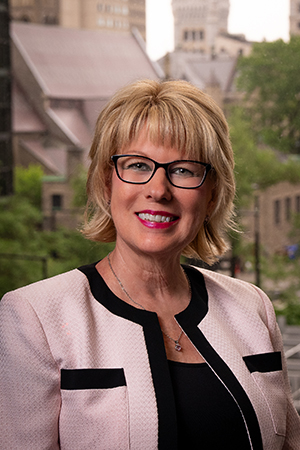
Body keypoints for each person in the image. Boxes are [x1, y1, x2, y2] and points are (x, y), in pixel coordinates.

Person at [0, 79, 299, 450]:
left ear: (211, 194)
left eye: (184, 170)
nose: (158, 189)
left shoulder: (252, 308)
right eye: (138, 165)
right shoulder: (34, 317)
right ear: (106, 183)